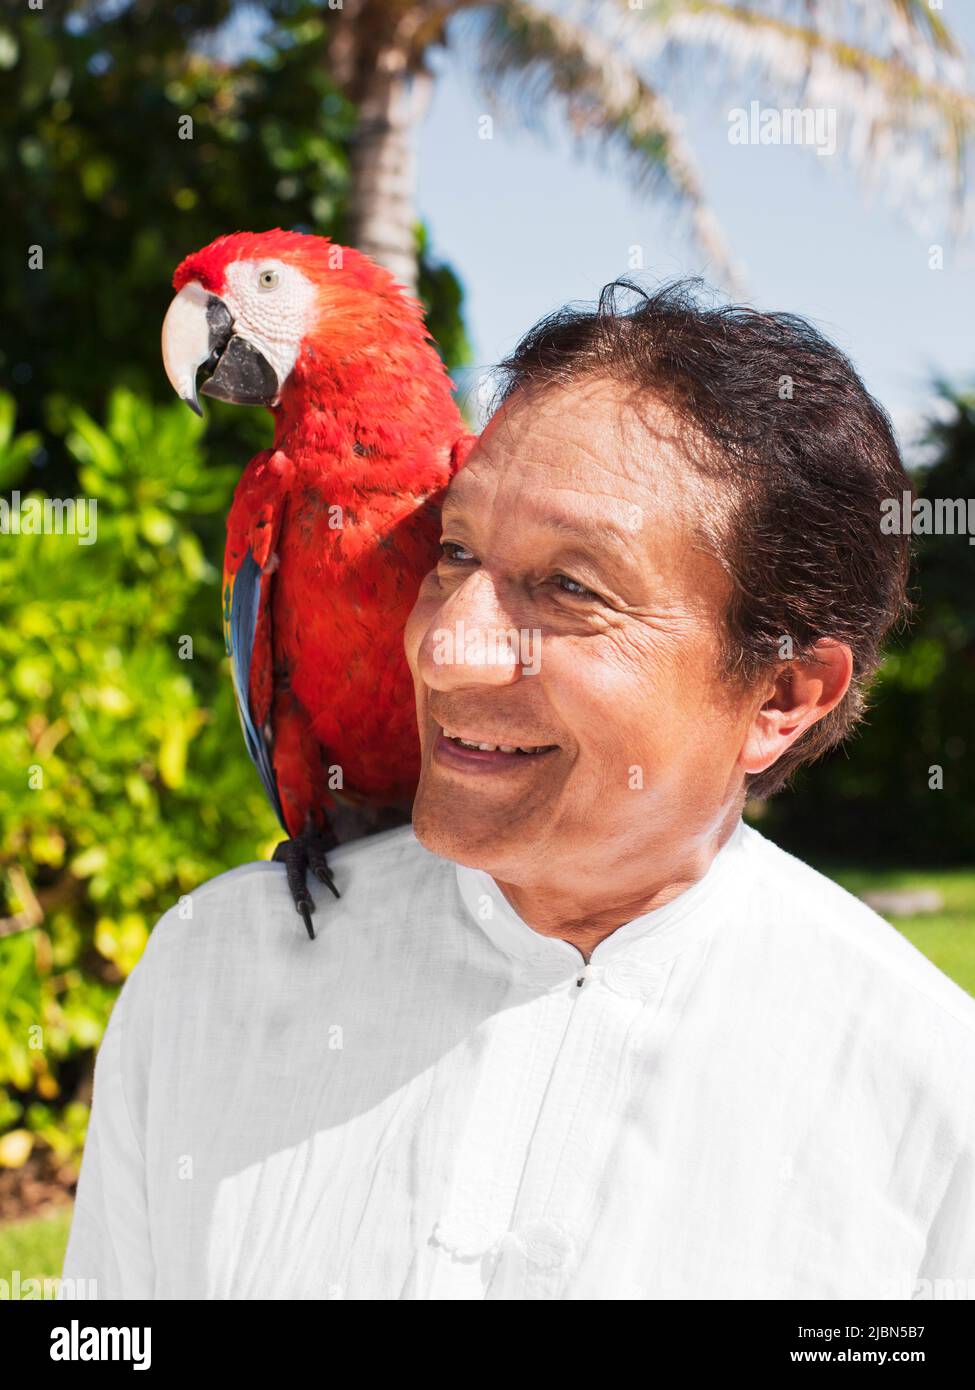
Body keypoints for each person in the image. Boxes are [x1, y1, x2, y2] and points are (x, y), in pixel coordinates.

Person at [61, 281, 975, 1300]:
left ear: (783, 694)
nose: (443, 648)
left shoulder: (933, 1100)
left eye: (572, 587)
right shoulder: (206, 973)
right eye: (450, 552)